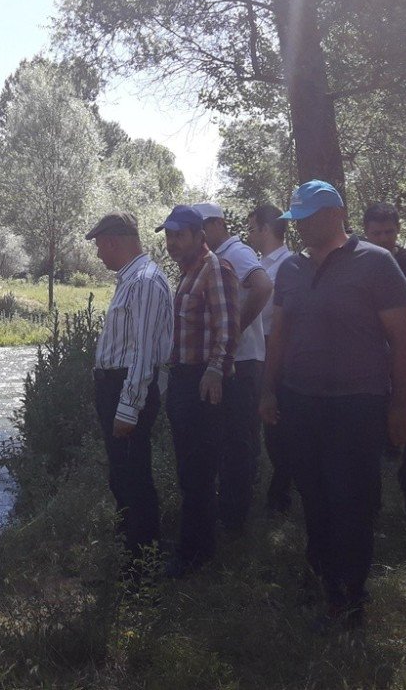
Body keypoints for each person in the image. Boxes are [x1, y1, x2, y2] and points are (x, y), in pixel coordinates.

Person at [260, 180, 406, 629]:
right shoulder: (290, 268)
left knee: (353, 498)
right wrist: (269, 389)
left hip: (358, 404)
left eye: (309, 218)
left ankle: (350, 593)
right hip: (301, 401)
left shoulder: (376, 263)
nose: (302, 228)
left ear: (336, 214)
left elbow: (403, 338)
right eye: (297, 220)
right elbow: (280, 335)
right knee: (313, 492)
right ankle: (322, 576)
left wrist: (401, 403)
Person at [86, 211, 173, 569]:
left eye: (99, 246)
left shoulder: (145, 281)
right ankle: (131, 555)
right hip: (118, 388)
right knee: (121, 477)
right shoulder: (132, 279)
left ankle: (141, 567)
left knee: (134, 479)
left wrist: (128, 407)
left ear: (113, 241)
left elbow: (144, 352)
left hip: (127, 391)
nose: (97, 255)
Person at [156, 205, 239, 577]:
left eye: (179, 235)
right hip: (184, 380)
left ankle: (196, 555)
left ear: (197, 235)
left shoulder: (215, 269)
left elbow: (228, 327)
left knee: (200, 470)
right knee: (189, 469)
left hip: (203, 383)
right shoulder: (189, 272)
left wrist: (215, 370)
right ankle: (195, 545)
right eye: (169, 236)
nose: (172, 243)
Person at [193, 202, 273, 534]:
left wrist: (233, 330)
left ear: (216, 225)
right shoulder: (217, 255)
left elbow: (264, 286)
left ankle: (235, 521)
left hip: (242, 360)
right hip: (235, 359)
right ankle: (231, 512)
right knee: (232, 439)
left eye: (199, 230)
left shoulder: (234, 252)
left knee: (238, 440)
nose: (196, 237)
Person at [363, 202, 406, 517]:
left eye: (389, 232)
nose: (383, 238)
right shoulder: (357, 262)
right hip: (369, 358)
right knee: (370, 429)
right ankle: (371, 499)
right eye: (376, 233)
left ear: (398, 229)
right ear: (365, 232)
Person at [246, 204, 294, 514]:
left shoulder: (286, 266)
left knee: (278, 424)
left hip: (279, 350)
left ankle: (282, 492)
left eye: (251, 228)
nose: (248, 234)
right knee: (264, 423)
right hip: (257, 349)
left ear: (265, 229)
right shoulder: (260, 263)